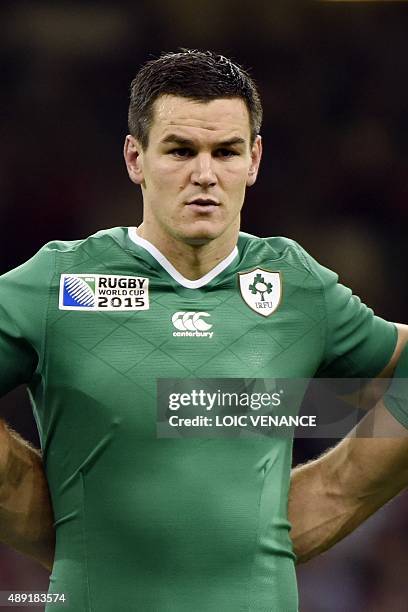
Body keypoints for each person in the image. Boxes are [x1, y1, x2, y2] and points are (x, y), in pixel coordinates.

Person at [0, 49, 407, 611]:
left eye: (226, 151)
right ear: (135, 158)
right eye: (180, 151)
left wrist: (341, 491)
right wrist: (23, 500)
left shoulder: (296, 286)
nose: (205, 175)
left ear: (255, 159)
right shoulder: (61, 282)